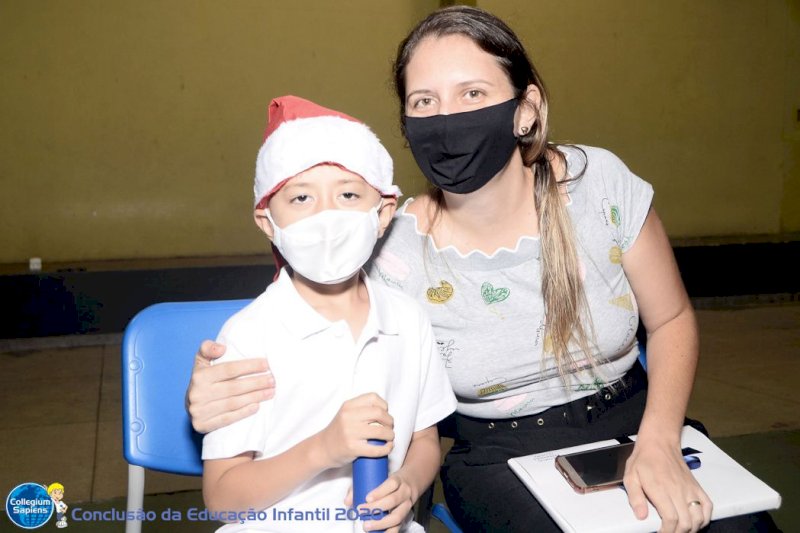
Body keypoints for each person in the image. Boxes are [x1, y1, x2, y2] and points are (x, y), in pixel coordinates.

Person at [188, 7, 780, 533]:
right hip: (496, 455)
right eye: (424, 102)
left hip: (640, 419)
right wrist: (210, 384)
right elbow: (304, 287)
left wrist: (659, 443)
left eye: (472, 93)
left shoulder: (598, 184)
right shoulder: (392, 244)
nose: (447, 118)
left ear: (525, 110)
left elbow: (672, 318)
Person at [200, 95, 457, 533]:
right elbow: (224, 500)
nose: (327, 217)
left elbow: (424, 441)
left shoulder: (407, 319)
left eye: (349, 194)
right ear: (267, 222)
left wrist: (408, 488)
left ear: (383, 214)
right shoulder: (248, 336)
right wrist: (322, 449)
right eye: (301, 198)